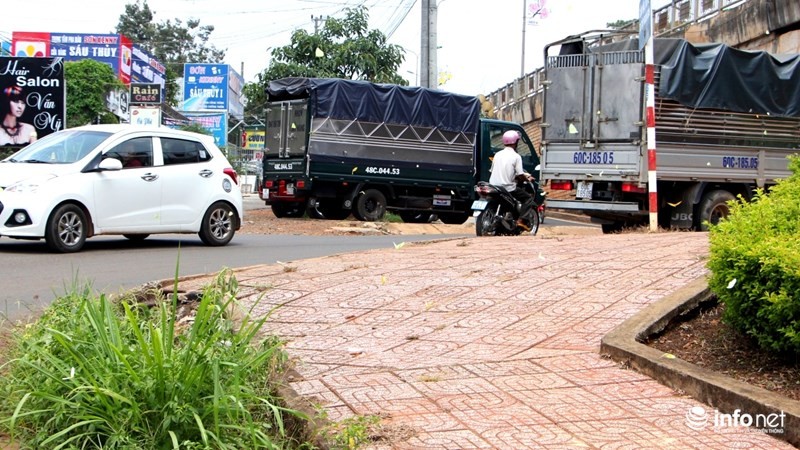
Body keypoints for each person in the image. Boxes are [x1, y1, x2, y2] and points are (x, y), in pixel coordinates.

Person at [489, 129, 536, 231]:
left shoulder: (497, 154)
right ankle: (521, 220)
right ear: (516, 142)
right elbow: (520, 174)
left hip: (493, 186)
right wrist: (527, 180)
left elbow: (493, 170)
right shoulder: (516, 156)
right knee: (528, 198)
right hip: (507, 188)